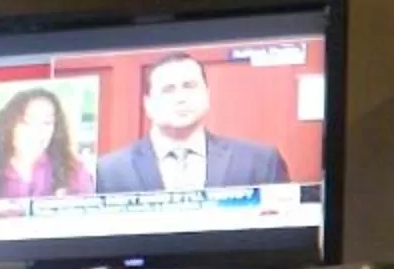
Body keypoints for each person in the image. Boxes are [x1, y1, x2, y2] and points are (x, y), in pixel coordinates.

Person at [93, 54, 293, 195]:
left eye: (189, 86)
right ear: (148, 103)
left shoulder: (259, 161)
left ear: (207, 94)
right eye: (168, 90)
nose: (181, 98)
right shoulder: (110, 170)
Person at [0, 87, 92, 209]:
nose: (37, 132)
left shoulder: (74, 171)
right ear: (9, 125)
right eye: (27, 122)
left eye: (47, 123)